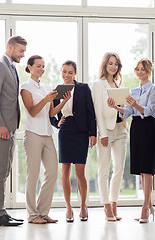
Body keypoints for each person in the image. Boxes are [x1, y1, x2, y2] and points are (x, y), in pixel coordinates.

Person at [107, 58, 155, 223]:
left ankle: (145, 207)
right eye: (137, 69)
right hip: (136, 127)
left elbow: (150, 111)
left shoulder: (154, 89)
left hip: (149, 127)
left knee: (148, 168)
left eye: (143, 69)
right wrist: (116, 107)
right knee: (141, 168)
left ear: (149, 70)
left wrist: (135, 105)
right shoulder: (134, 90)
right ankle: (149, 204)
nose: (139, 72)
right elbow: (128, 112)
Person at [20, 55, 71, 224]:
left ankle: (42, 212)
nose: (41, 69)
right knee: (33, 175)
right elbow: (33, 111)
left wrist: (63, 102)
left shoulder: (47, 86)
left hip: (47, 134)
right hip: (33, 134)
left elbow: (50, 113)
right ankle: (32, 214)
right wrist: (46, 99)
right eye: (38, 66)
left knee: (52, 172)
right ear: (29, 67)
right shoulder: (25, 87)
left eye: (43, 66)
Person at [0, 35, 27, 227]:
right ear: (10, 47)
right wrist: (0, 124)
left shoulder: (10, 67)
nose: (23, 55)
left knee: (5, 170)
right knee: (0, 170)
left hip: (10, 127)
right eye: (20, 51)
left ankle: (1, 211)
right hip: (1, 127)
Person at [51, 60, 97, 222]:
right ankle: (68, 207)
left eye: (70, 72)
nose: (66, 75)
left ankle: (83, 206)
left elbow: (91, 111)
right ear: (61, 72)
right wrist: (57, 123)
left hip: (81, 132)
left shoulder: (83, 88)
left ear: (75, 73)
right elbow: (51, 113)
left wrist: (93, 133)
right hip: (65, 131)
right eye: (64, 71)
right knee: (64, 171)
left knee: (80, 172)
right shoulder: (56, 91)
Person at [92, 52, 127, 221]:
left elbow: (123, 110)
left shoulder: (119, 85)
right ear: (105, 65)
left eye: (116, 64)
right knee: (103, 169)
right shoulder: (99, 85)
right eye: (110, 63)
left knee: (119, 169)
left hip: (121, 130)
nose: (113, 67)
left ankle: (114, 203)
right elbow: (98, 110)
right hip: (106, 130)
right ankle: (106, 207)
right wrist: (102, 134)